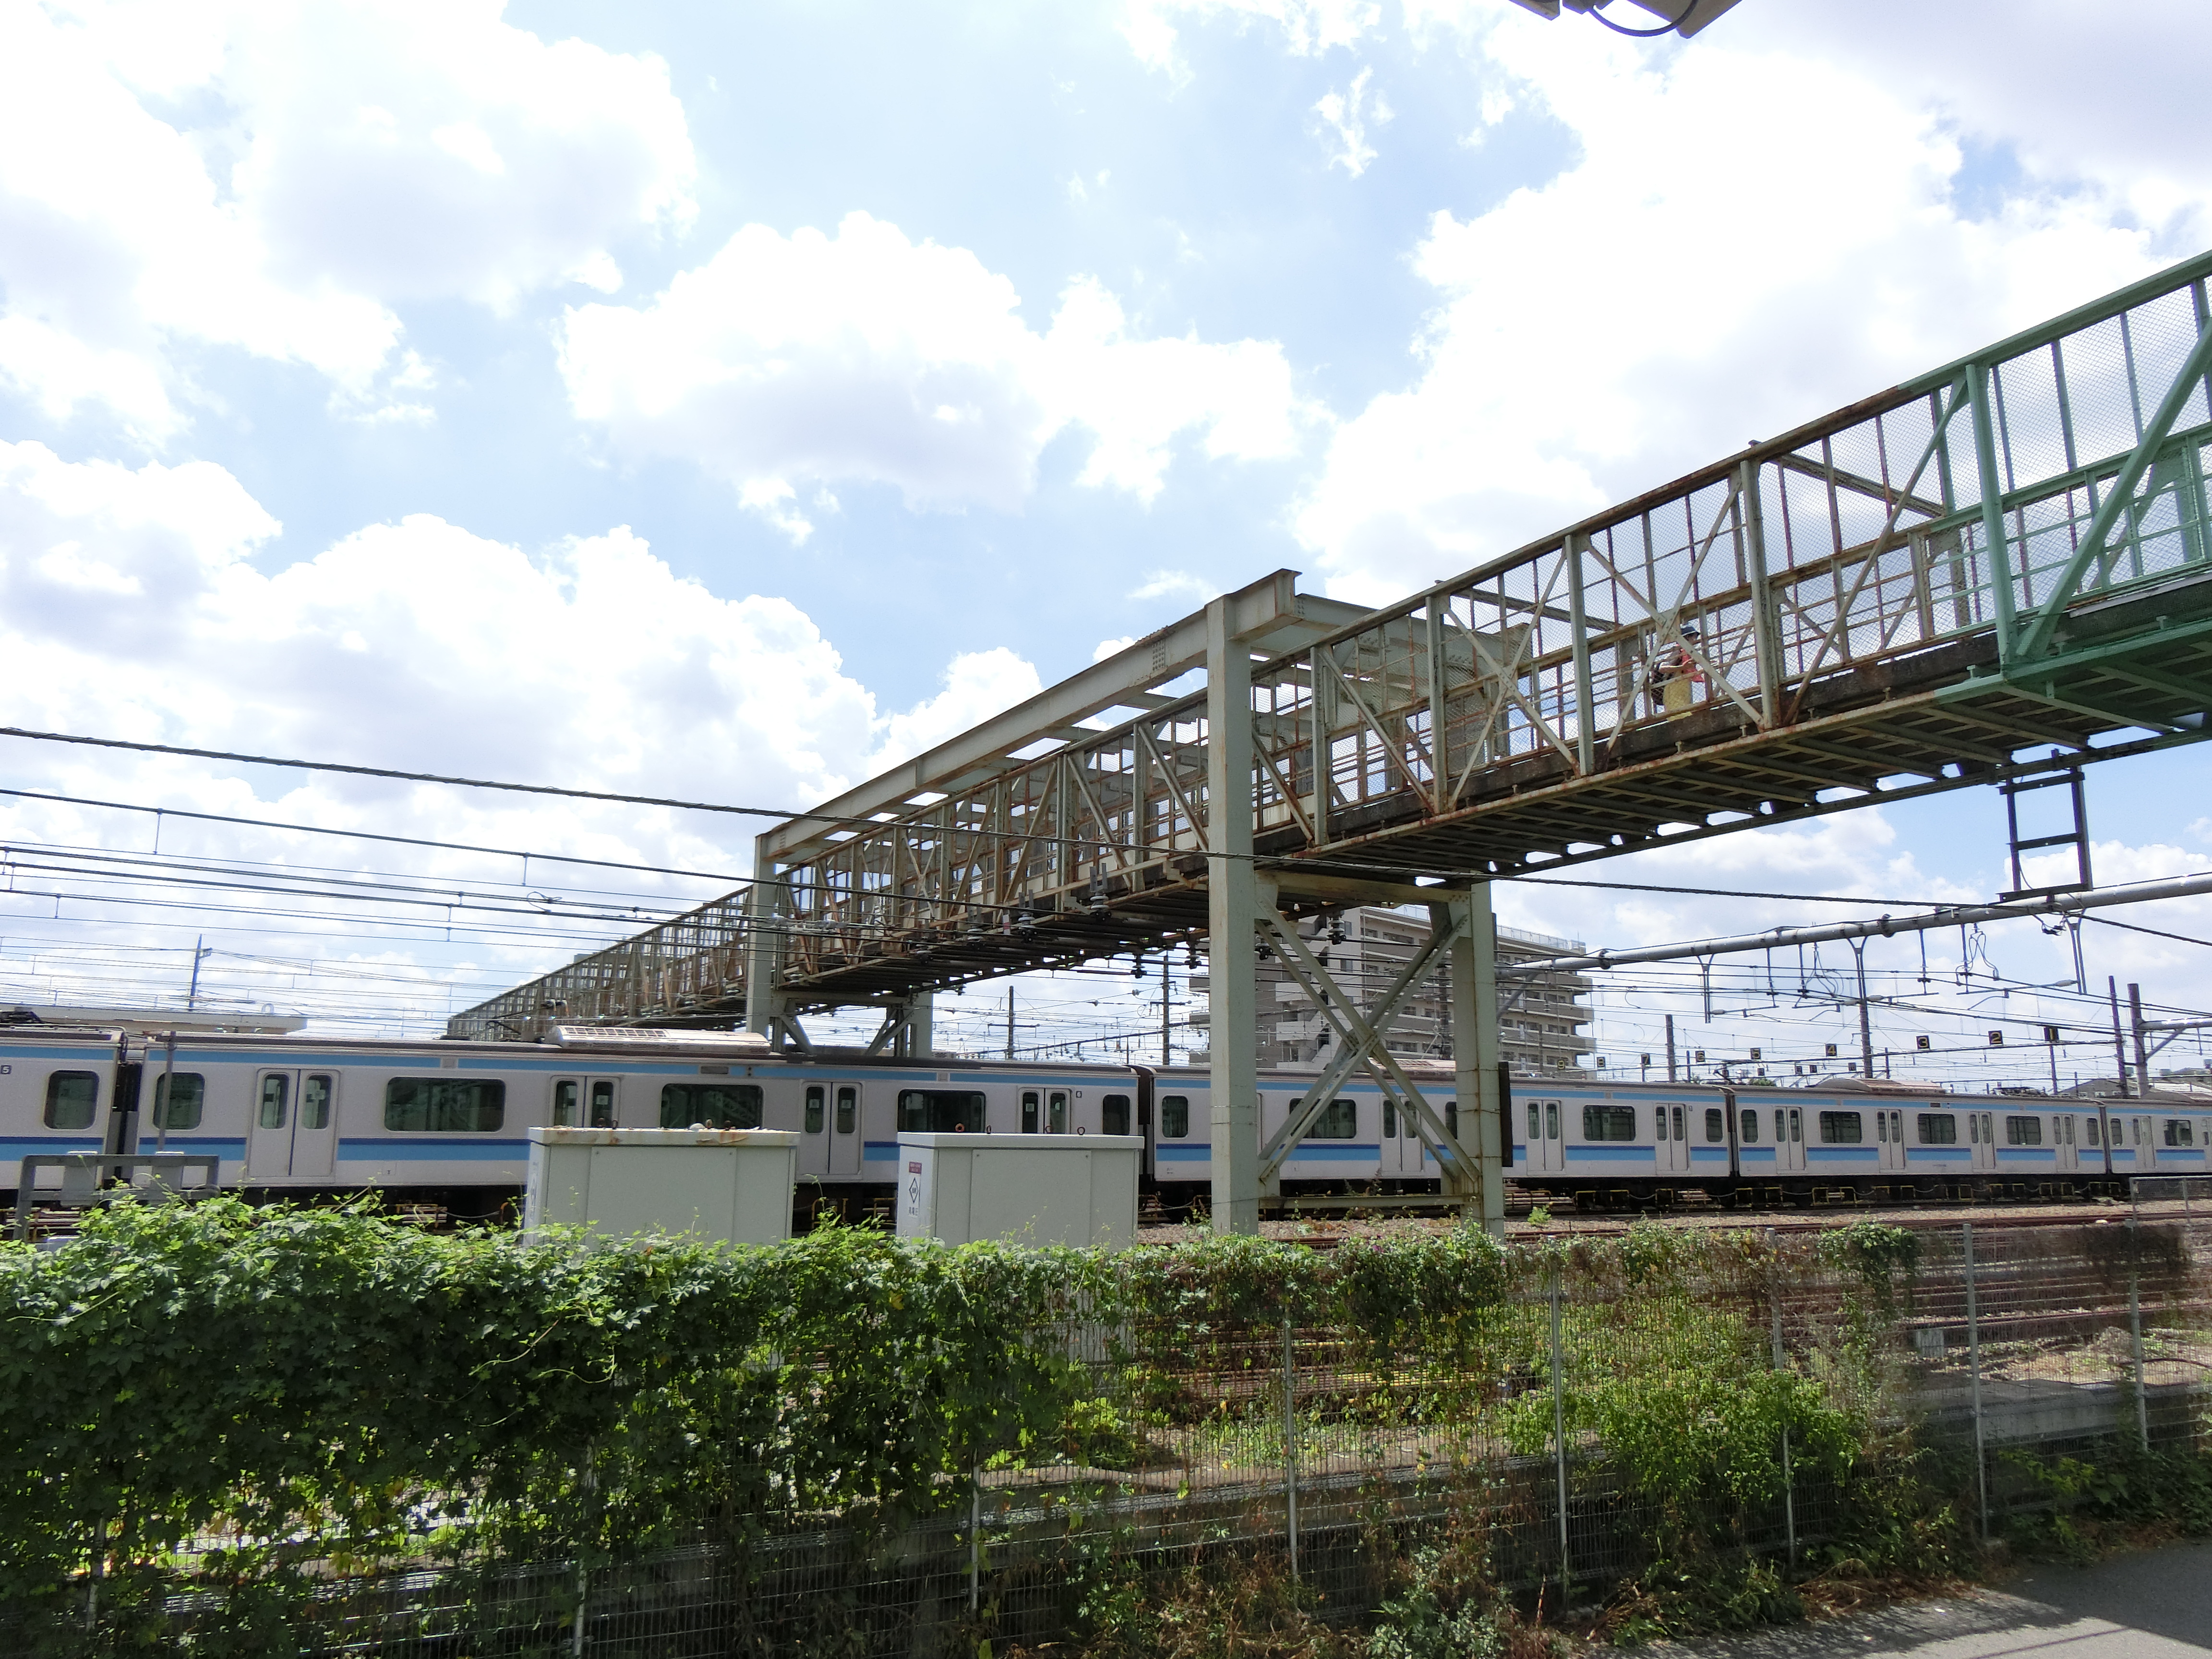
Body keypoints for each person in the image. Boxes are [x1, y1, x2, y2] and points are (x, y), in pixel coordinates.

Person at [1651, 624, 1705, 716]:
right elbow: (1662, 668)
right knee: (1679, 714)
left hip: (1682, 689)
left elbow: (1690, 672)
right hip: (1673, 689)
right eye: (1694, 638)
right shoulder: (1679, 651)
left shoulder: (1688, 655)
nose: (1695, 641)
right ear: (1687, 638)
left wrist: (1704, 669)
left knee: (1684, 713)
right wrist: (1682, 667)